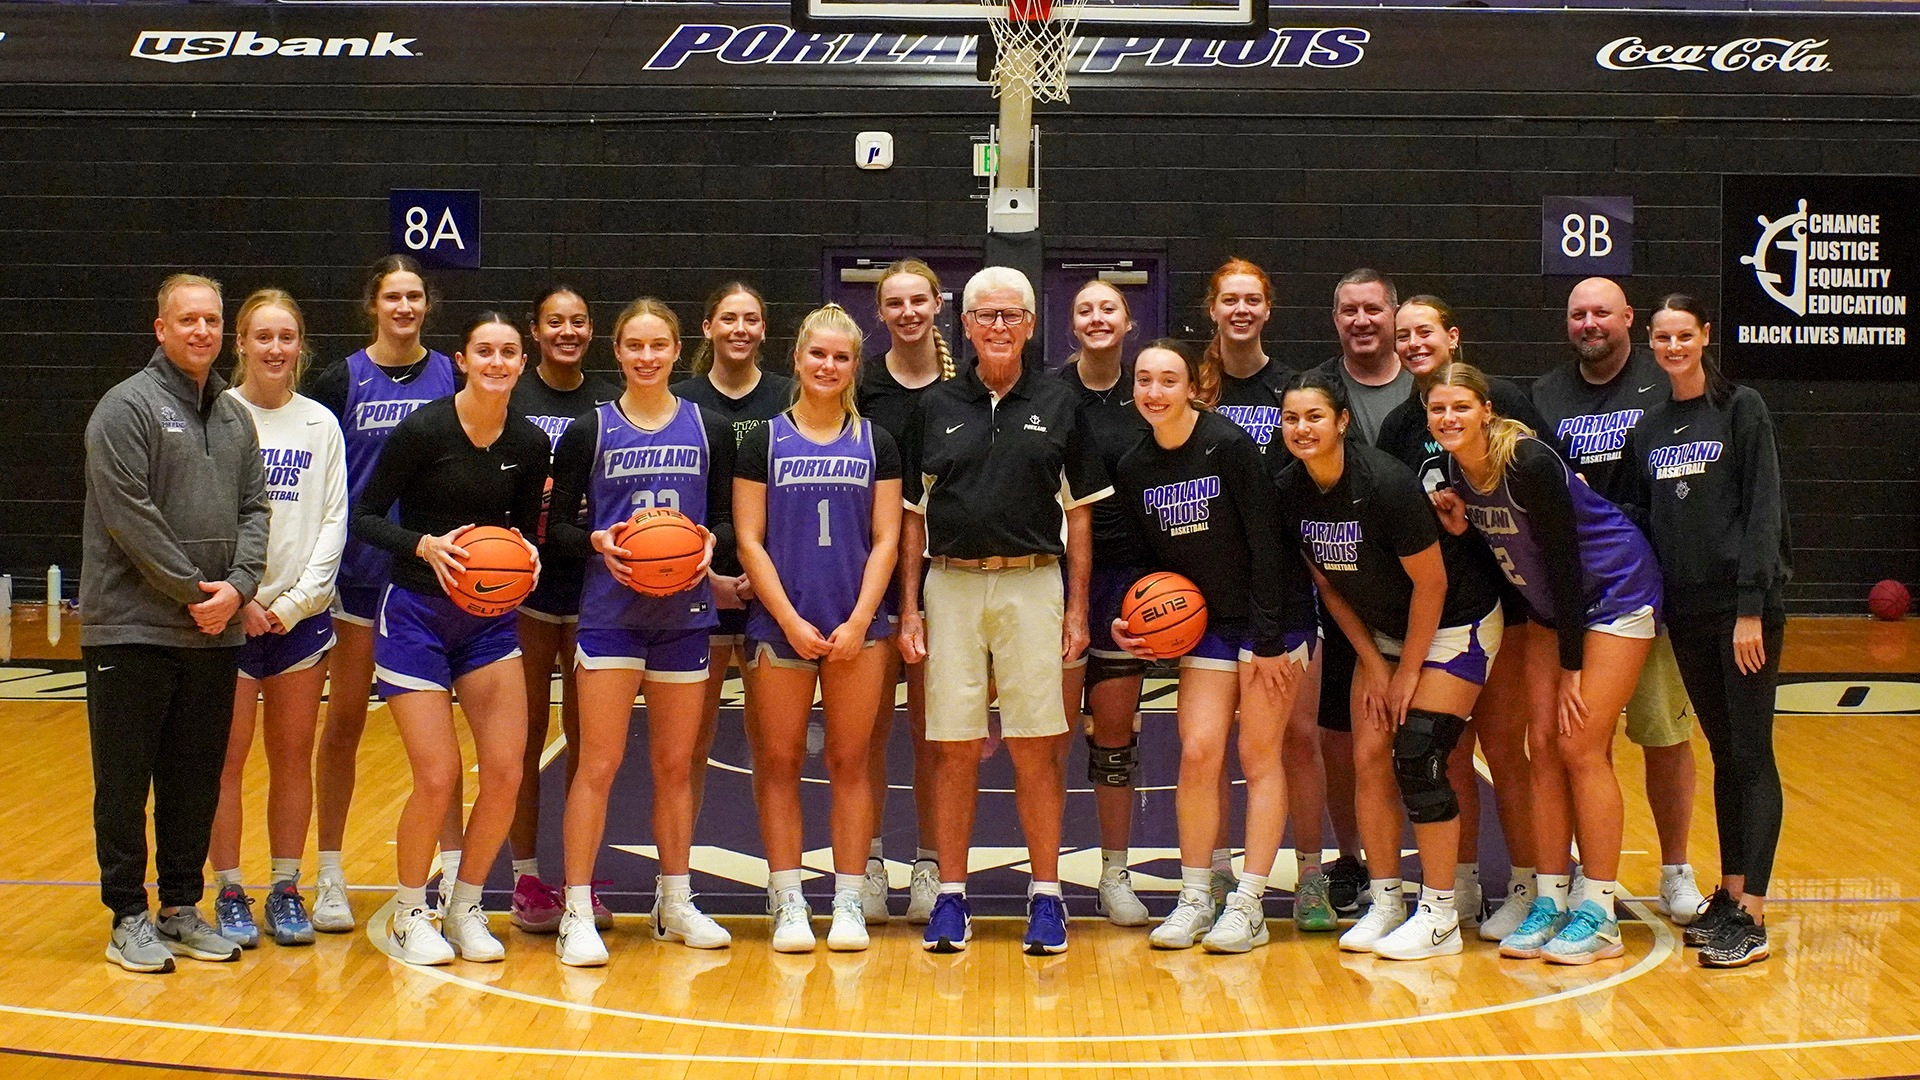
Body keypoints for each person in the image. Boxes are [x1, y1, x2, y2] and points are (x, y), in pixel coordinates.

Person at [897, 266, 1110, 955]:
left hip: (1033, 584)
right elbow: (910, 517)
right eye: (984, 315)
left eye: (1010, 315)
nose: (997, 326)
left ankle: (1046, 898)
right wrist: (909, 609)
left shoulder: (1061, 402)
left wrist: (1077, 610)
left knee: (1036, 748)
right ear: (964, 324)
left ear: (1029, 325)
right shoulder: (933, 407)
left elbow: (1080, 517)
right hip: (950, 585)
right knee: (953, 749)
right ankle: (951, 897)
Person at [1426, 362, 1662, 965]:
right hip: (1551, 609)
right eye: (1438, 409)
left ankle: (1600, 915)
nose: (1449, 418)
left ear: (1487, 411)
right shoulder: (1456, 470)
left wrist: (1572, 664)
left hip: (1612, 591)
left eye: (1460, 406)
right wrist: (1463, 530)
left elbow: (1561, 558)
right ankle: (1551, 898)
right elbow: (1512, 550)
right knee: (1543, 747)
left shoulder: (1527, 462)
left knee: (1581, 745)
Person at [1277, 369, 1503, 961]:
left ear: (1342, 422)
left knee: (1420, 754)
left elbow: (1432, 584)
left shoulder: (1384, 483)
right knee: (1369, 755)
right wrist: (1375, 663)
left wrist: (1407, 673)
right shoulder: (1289, 490)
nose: (1302, 428)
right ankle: (1386, 902)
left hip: (1455, 621)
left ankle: (1440, 914)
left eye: (1315, 417)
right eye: (1291, 418)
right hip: (1379, 632)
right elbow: (1330, 588)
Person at [351, 313, 549, 966]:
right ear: (462, 360)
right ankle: (411, 913)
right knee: (437, 777)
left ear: (522, 363)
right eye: (484, 351)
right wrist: (423, 545)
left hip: (487, 622)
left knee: (506, 772)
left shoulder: (529, 441)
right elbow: (365, 515)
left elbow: (522, 532)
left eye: (508, 352)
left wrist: (528, 557)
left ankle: (465, 907)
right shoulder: (423, 430)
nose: (497, 361)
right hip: (415, 615)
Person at [84, 273, 269, 973]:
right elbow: (128, 516)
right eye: (187, 319)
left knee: (194, 781)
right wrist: (198, 592)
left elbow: (256, 509)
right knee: (125, 783)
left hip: (214, 631)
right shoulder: (124, 407)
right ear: (160, 328)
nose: (201, 331)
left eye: (212, 320)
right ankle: (127, 917)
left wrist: (239, 588)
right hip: (131, 629)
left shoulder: (234, 417)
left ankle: (181, 908)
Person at [547, 299, 733, 965]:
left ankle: (673, 900)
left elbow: (726, 517)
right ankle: (576, 909)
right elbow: (558, 528)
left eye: (659, 345)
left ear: (678, 350)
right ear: (618, 352)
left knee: (677, 766)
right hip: (610, 615)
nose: (647, 357)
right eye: (635, 346)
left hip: (683, 617)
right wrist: (594, 541)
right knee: (597, 764)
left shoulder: (709, 427)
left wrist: (711, 541)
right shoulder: (589, 429)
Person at [1113, 341, 1311, 953]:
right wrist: (1133, 619)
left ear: (1191, 388)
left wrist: (1269, 640)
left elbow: (1268, 543)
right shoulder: (1135, 464)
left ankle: (1249, 904)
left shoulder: (1228, 445)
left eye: (1168, 380)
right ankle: (1197, 896)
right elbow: (1146, 561)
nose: (1154, 392)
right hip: (1207, 625)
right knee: (1198, 751)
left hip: (1272, 619)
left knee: (1258, 754)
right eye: (1144, 380)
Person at [1374, 296, 1551, 940]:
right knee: (1448, 753)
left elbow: (1548, 491)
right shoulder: (1399, 425)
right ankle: (1464, 881)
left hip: (1509, 603)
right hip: (1447, 610)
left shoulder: (1502, 400)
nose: (1414, 343)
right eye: (1403, 335)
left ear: (1452, 335)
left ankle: (1529, 885)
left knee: (1504, 749)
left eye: (1424, 331)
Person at [1532, 277, 1705, 927]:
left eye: (1602, 312)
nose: (1590, 323)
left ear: (1628, 317)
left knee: (1664, 734)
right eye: (1578, 314)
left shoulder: (1662, 383)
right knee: (1582, 740)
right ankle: (1587, 868)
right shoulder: (1546, 395)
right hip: (1576, 591)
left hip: (1649, 588)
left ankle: (1676, 869)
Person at [735, 303, 902, 953]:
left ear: (855, 366)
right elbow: (750, 540)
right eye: (817, 354)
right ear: (798, 358)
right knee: (778, 761)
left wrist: (860, 619)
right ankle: (788, 899)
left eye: (841, 357)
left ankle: (849, 899)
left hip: (858, 626)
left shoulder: (877, 441)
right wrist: (788, 619)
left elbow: (887, 539)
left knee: (850, 761)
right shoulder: (764, 440)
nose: (828, 366)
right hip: (782, 624)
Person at [1630, 296, 1791, 969]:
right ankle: (1728, 893)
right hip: (1687, 612)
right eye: (1662, 337)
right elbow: (1643, 516)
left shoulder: (1741, 408)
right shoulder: (1650, 426)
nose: (1673, 347)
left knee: (1751, 754)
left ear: (1704, 337)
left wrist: (1751, 606)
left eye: (1684, 336)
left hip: (1740, 611)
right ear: (1651, 342)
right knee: (1725, 754)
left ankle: (1753, 913)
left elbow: (1763, 509)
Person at [303, 256, 459, 933]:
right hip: (361, 576)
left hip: (432, 580)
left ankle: (453, 877)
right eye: (392, 296)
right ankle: (331, 874)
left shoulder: (453, 375)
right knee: (343, 723)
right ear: (373, 304)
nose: (404, 307)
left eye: (414, 296)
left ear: (428, 304)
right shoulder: (340, 381)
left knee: (441, 737)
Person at [1194, 258, 1335, 928]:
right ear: (1213, 309)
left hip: (1286, 583)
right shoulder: (1196, 387)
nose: (1241, 310)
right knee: (1213, 744)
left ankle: (1310, 875)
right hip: (1211, 589)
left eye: (1253, 299)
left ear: (1268, 309)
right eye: (1230, 299)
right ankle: (1219, 871)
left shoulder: (1293, 388)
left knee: (1298, 737)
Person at [207, 290, 349, 949]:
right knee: (225, 760)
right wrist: (241, 597)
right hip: (229, 617)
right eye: (262, 336)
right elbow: (204, 519)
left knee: (292, 757)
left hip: (299, 620)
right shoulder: (217, 415)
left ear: (300, 345)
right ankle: (230, 888)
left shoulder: (320, 424)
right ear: (240, 342)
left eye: (286, 337)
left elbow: (333, 521)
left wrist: (293, 604)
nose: (274, 348)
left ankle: (286, 887)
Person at [505, 285, 620, 936]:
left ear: (591, 331)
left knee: (589, 746)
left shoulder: (608, 401)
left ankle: (581, 878)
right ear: (536, 330)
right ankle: (525, 877)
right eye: (555, 322)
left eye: (578, 321)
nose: (567, 332)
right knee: (520, 743)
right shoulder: (512, 394)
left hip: (590, 586)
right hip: (522, 589)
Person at [673, 282, 794, 849]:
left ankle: (782, 880)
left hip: (774, 590)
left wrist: (769, 579)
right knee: (689, 747)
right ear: (708, 327)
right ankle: (675, 881)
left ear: (764, 329)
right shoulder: (683, 401)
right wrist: (707, 577)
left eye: (751, 318)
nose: (740, 329)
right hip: (698, 587)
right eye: (728, 318)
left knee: (773, 748)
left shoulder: (790, 395)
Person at [859, 259, 956, 924]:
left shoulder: (962, 389)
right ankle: (867, 863)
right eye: (895, 303)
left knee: (931, 732)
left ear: (938, 304)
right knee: (864, 731)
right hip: (868, 574)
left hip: (940, 576)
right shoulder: (860, 388)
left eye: (918, 300)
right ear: (880, 312)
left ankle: (928, 863)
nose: (908, 312)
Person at [1053, 279, 1153, 927]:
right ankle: (1048, 877)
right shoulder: (1049, 395)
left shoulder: (1147, 394)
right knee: (1052, 738)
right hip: (1057, 582)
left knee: (1114, 738)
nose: (1097, 317)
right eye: (1085, 309)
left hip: (1128, 583)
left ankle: (1115, 874)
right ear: (1072, 324)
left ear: (1127, 322)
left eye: (1108, 308)